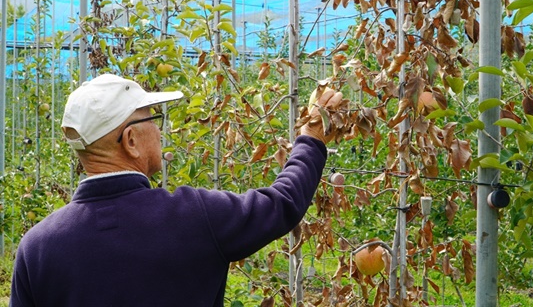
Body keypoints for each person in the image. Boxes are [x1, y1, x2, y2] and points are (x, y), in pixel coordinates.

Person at [10, 73, 340, 307]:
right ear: (131, 141)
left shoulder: (38, 247)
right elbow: (282, 204)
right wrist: (311, 139)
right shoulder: (194, 216)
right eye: (151, 118)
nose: (158, 127)